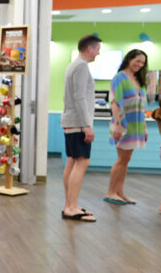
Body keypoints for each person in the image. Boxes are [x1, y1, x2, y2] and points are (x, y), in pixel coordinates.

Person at [61, 34, 101, 222]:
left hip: (72, 120)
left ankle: (70, 204)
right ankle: (71, 207)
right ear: (90, 48)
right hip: (77, 122)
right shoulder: (81, 66)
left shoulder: (73, 65)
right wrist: (87, 125)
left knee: (72, 161)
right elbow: (80, 97)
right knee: (81, 162)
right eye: (97, 49)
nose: (98, 53)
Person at [104, 49, 148, 205]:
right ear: (129, 59)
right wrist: (117, 125)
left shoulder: (138, 80)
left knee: (126, 160)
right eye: (137, 61)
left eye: (142, 63)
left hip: (136, 124)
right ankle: (110, 192)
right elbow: (115, 103)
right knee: (122, 159)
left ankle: (120, 191)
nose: (140, 65)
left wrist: (144, 128)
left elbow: (141, 106)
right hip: (122, 123)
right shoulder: (119, 78)